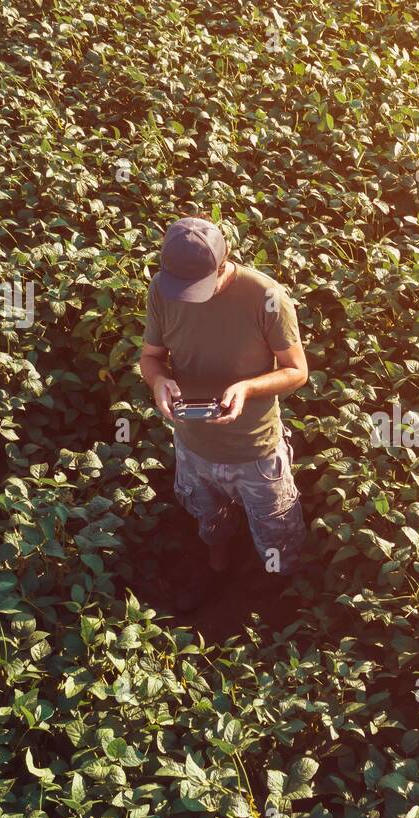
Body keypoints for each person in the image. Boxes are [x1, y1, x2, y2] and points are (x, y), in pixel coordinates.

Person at [139, 216, 308, 611]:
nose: (187, 297)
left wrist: (247, 388)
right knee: (210, 520)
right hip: (194, 446)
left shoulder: (265, 296)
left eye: (197, 287)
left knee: (276, 535)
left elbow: (297, 370)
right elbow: (151, 358)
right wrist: (158, 382)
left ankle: (275, 598)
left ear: (223, 263)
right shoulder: (162, 291)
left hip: (256, 451)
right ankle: (218, 569)